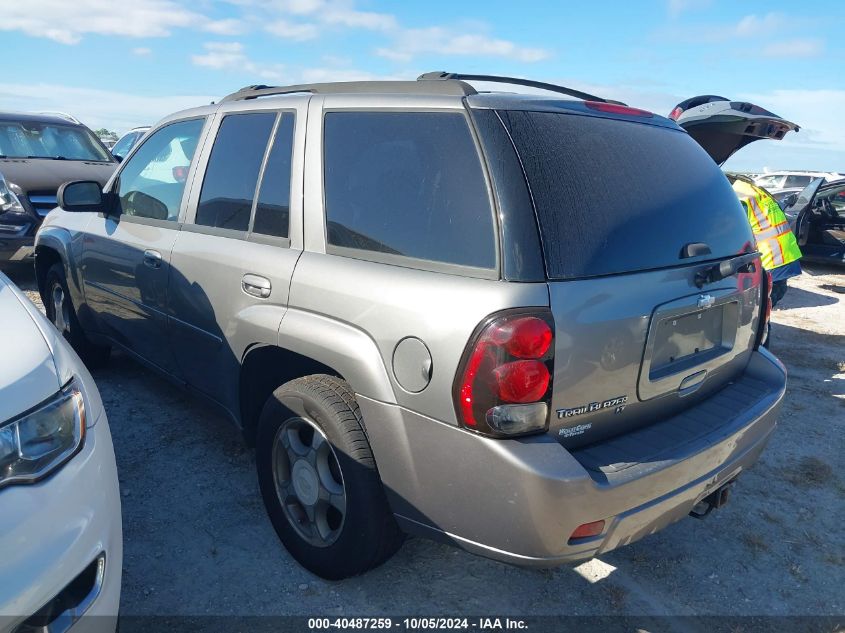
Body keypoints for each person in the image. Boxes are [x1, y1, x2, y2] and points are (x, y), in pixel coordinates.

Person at [729, 176, 802, 308]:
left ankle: (763, 326)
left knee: (761, 304)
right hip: (785, 252)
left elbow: (735, 230)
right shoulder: (752, 190)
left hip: (770, 256)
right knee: (774, 292)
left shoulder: (738, 196)